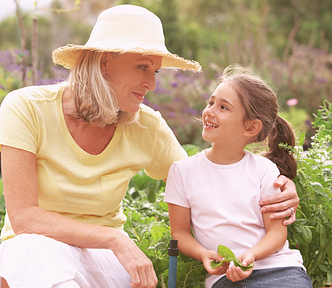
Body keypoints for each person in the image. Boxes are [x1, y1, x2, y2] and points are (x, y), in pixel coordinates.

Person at [0, 4, 298, 288]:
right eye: (142, 67)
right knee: (26, 252)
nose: (152, 84)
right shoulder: (26, 108)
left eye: (154, 71)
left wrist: (279, 184)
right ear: (104, 62)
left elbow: (201, 178)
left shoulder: (146, 126)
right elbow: (25, 218)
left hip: (102, 264)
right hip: (36, 255)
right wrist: (115, 239)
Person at [164, 65, 312, 288]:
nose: (210, 111)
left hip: (281, 270)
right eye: (211, 102)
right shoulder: (182, 172)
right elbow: (180, 232)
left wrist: (251, 256)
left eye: (224, 107)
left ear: (251, 127)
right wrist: (204, 253)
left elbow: (276, 235)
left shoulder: (264, 170)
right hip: (226, 277)